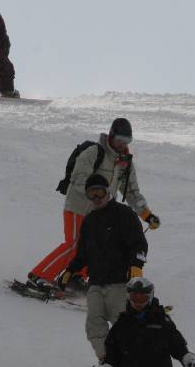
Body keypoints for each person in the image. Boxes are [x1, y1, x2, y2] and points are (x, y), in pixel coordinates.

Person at [27, 118, 160, 292]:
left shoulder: (125, 163)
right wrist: (99, 193)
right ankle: (39, 276)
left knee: (93, 246)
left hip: (100, 212)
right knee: (74, 244)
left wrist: (146, 215)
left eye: (127, 141)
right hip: (78, 207)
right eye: (119, 139)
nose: (122, 144)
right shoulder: (94, 152)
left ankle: (76, 277)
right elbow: (78, 178)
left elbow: (131, 192)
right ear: (111, 135)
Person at [57, 173, 149, 364]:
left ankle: (133, 364)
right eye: (91, 194)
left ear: (108, 192)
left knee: (123, 326)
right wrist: (70, 271)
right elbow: (82, 254)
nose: (96, 198)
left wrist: (136, 265)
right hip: (96, 283)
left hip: (119, 283)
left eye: (99, 192)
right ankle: (108, 363)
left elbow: (139, 243)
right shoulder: (89, 221)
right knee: (94, 325)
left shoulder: (124, 214)